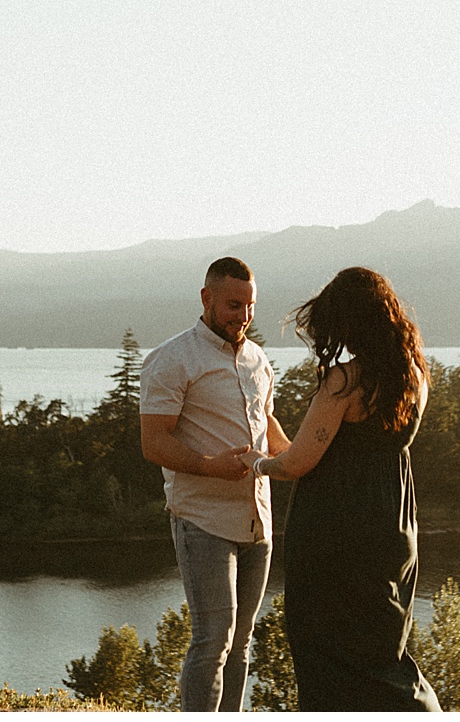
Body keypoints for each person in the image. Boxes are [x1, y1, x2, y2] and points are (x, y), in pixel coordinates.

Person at [239, 266, 440, 711]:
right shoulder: (414, 376)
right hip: (393, 521)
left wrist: (256, 462)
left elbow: (298, 463)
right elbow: (336, 450)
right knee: (381, 646)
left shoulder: (345, 381)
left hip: (336, 530)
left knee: (326, 649)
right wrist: (270, 426)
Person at [140, 256, 290, 711]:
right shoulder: (172, 359)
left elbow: (268, 427)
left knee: (241, 643)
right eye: (232, 304)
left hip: (257, 522)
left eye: (249, 306)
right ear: (206, 298)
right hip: (202, 519)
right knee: (213, 641)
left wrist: (305, 458)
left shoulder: (257, 359)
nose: (242, 316)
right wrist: (211, 466)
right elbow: (154, 443)